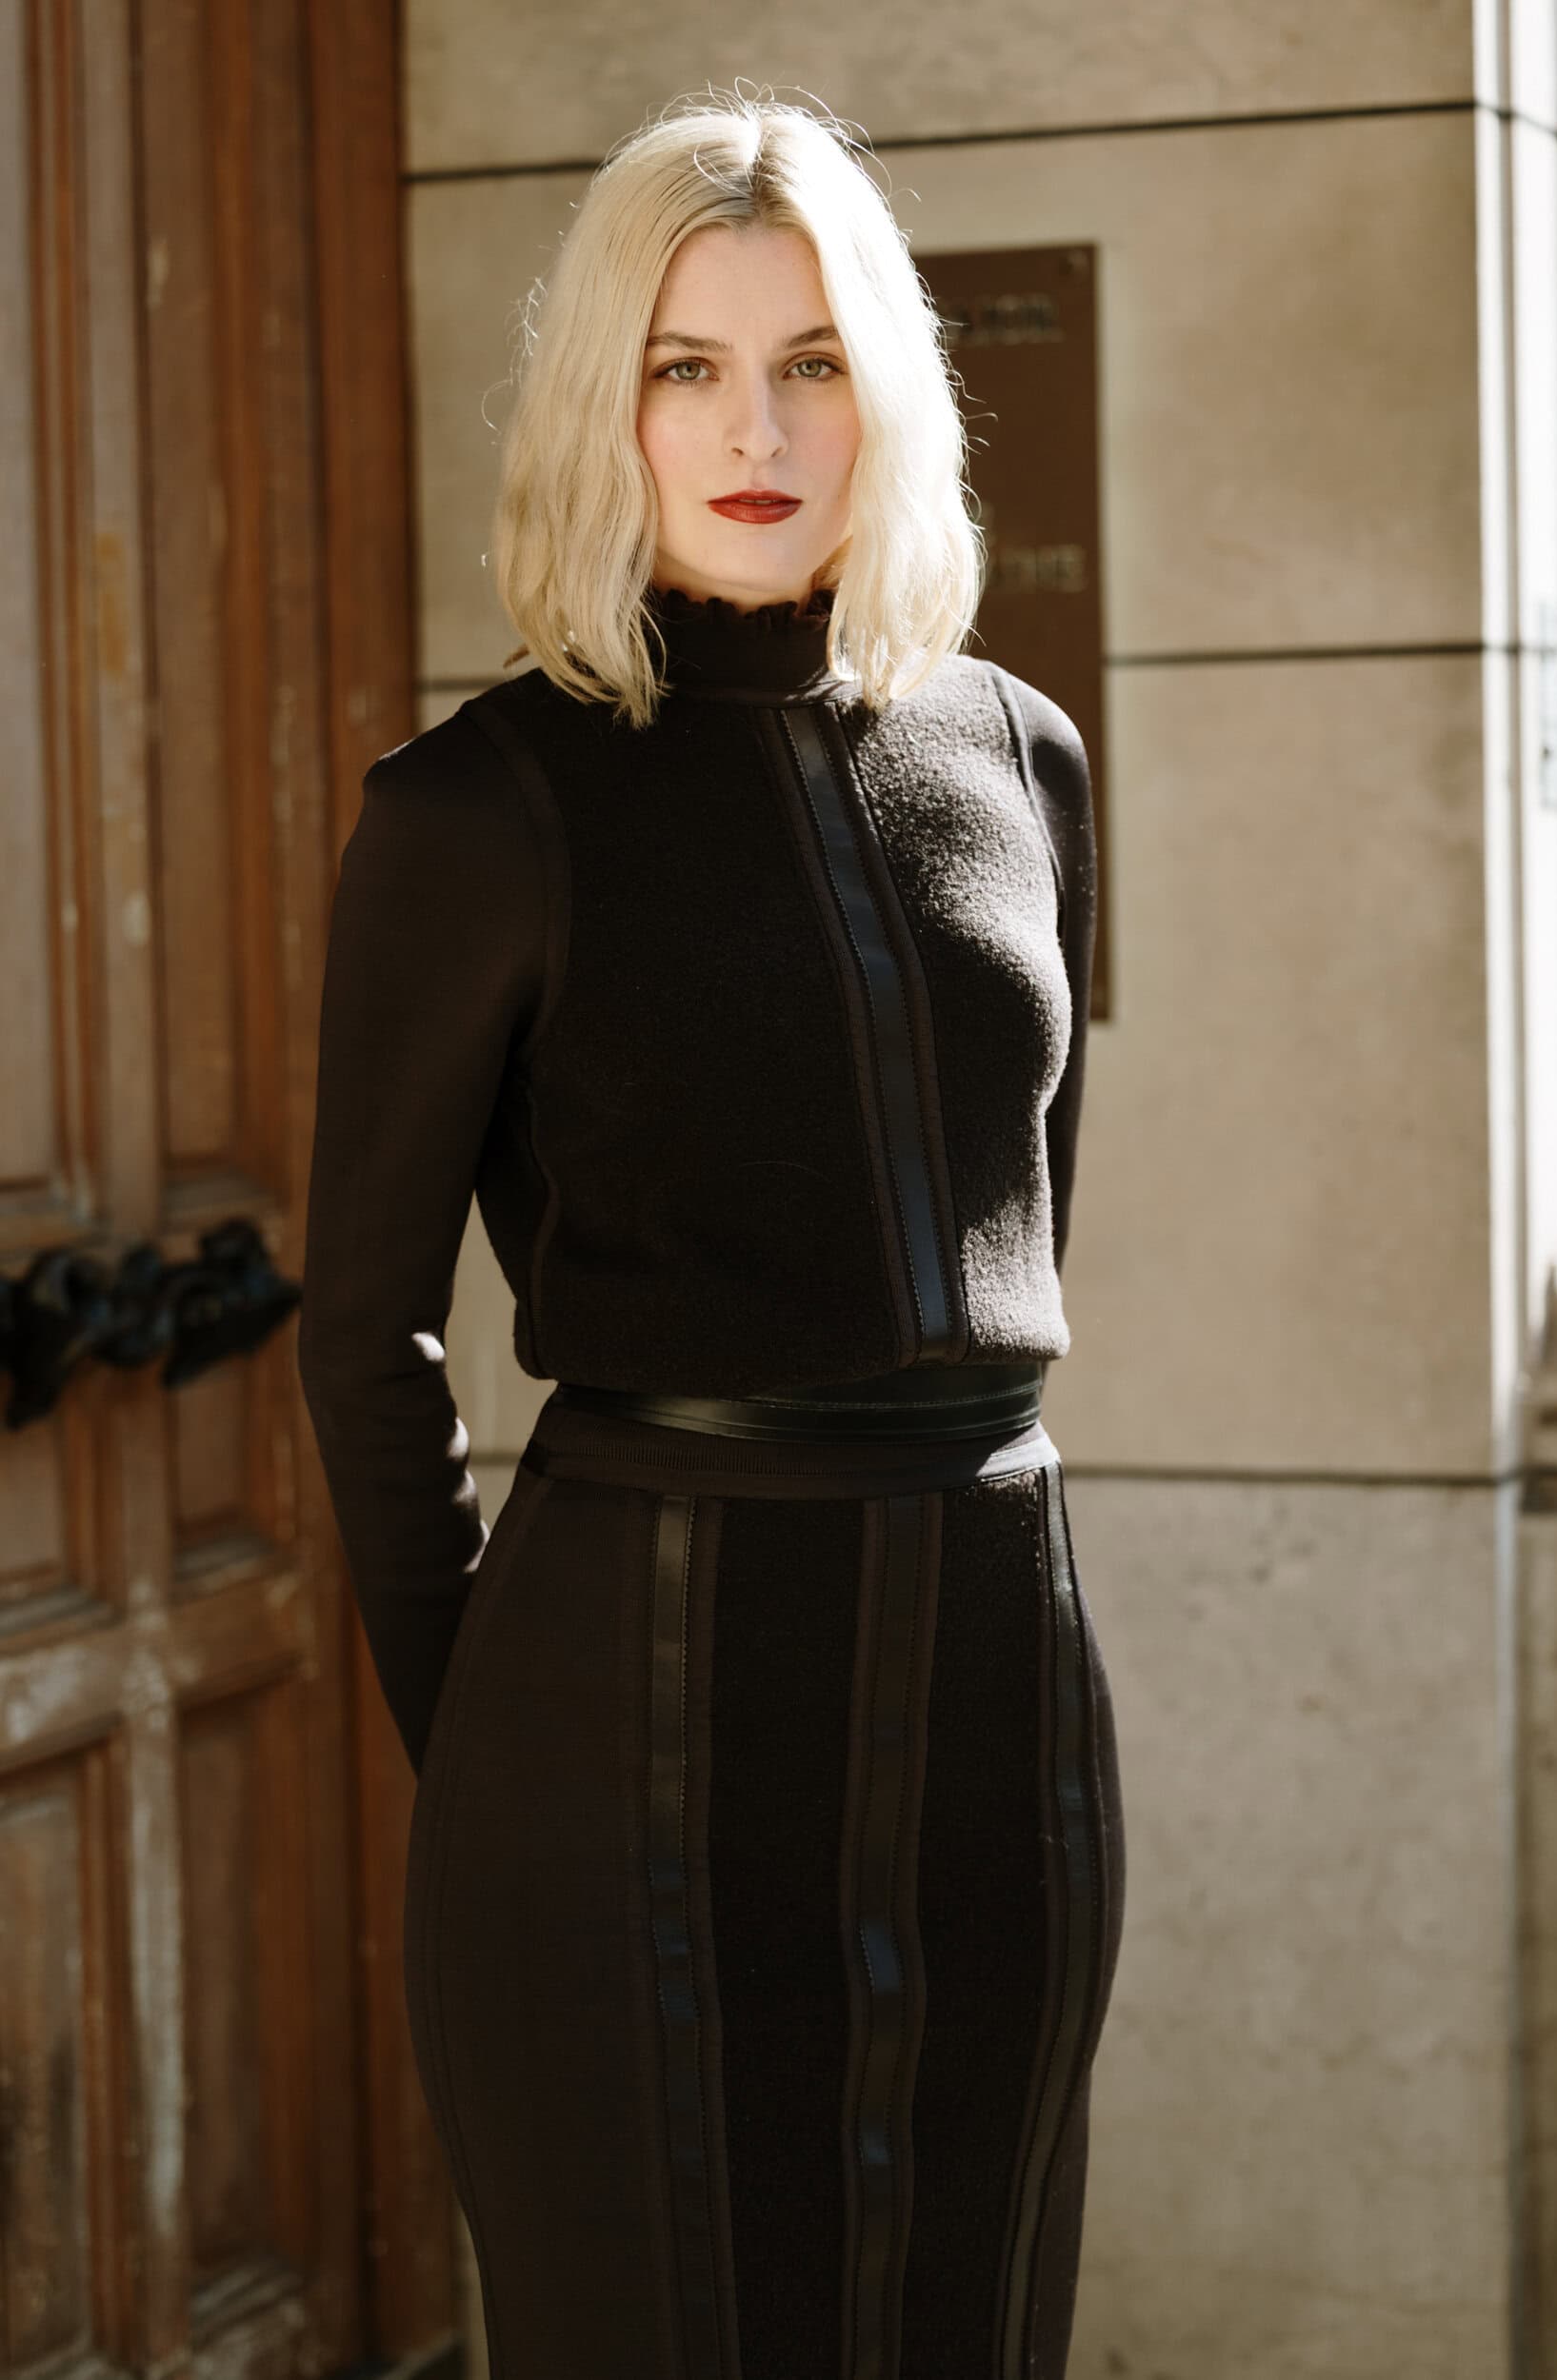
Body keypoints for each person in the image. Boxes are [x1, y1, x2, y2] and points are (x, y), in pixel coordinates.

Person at [296, 84, 1126, 2380]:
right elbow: (362, 1334)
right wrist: (490, 1740)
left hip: (996, 1679)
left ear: (890, 394)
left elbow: (1018, 1215)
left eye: (811, 360)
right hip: (624, 1702)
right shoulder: (476, 808)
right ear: (611, 403)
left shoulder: (1024, 759)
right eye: (689, 366)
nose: (755, 429)